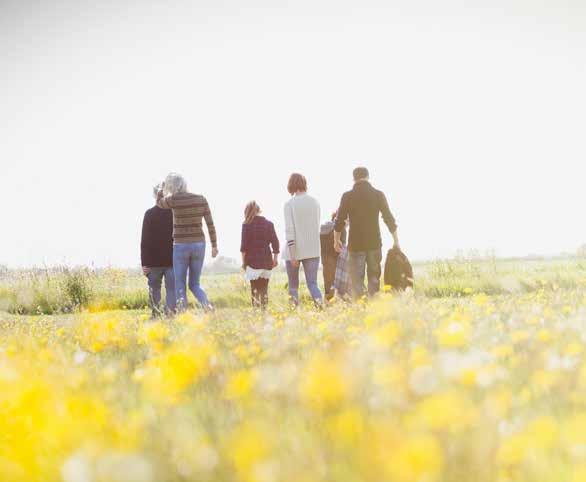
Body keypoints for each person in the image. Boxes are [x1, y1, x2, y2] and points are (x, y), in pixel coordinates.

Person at [334, 166, 400, 299]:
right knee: (374, 279)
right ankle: (373, 307)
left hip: (356, 245)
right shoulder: (378, 194)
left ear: (353, 179)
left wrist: (336, 240)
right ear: (368, 177)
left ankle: (360, 308)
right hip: (374, 243)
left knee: (357, 281)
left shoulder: (347, 196)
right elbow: (389, 218)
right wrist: (396, 241)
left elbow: (339, 220)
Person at [156, 172, 218, 312]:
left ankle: (183, 314)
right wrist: (214, 246)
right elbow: (210, 224)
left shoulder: (173, 199)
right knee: (195, 284)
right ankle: (207, 305)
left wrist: (161, 189)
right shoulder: (201, 199)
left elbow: (159, 203)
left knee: (180, 284)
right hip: (199, 245)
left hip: (180, 246)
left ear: (172, 186)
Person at [284, 173, 323, 307]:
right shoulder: (315, 202)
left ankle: (294, 314)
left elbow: (289, 230)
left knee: (293, 286)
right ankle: (321, 307)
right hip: (313, 249)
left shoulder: (289, 204)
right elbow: (316, 225)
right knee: (313, 284)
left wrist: (293, 255)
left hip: (294, 250)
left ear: (291, 185)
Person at [141, 185, 176, 318]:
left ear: (156, 196)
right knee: (171, 289)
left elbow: (144, 240)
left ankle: (156, 315)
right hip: (171, 260)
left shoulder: (149, 214)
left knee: (154, 289)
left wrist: (145, 263)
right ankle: (171, 315)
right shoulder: (174, 213)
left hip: (153, 262)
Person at [240, 201, 280, 310]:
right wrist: (275, 259)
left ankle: (256, 313)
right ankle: (264, 312)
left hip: (252, 262)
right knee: (264, 289)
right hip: (266, 261)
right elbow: (275, 243)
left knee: (254, 289)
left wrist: (243, 263)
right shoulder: (269, 224)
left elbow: (244, 247)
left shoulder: (246, 225)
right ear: (259, 210)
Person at [320, 211, 346, 301]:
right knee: (336, 282)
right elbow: (342, 246)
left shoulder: (323, 227)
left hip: (324, 258)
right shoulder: (341, 228)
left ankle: (327, 302)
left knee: (327, 281)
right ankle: (337, 301)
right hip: (335, 258)